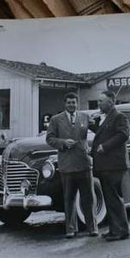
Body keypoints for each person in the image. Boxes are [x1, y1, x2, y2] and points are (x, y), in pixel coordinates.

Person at [46, 92, 98, 238]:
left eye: (74, 102)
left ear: (77, 103)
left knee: (88, 198)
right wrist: (62, 143)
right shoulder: (56, 120)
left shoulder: (85, 117)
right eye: (69, 102)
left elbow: (98, 130)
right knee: (69, 199)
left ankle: (92, 227)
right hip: (66, 165)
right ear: (65, 103)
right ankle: (70, 229)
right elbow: (49, 138)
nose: (71, 105)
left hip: (83, 163)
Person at [90, 90, 130, 242]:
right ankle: (115, 229)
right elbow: (104, 133)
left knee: (114, 199)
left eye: (101, 101)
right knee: (109, 199)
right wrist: (91, 124)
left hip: (114, 165)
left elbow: (123, 135)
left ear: (111, 102)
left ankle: (121, 231)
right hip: (106, 165)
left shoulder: (119, 116)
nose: (98, 104)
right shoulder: (106, 118)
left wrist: (104, 147)